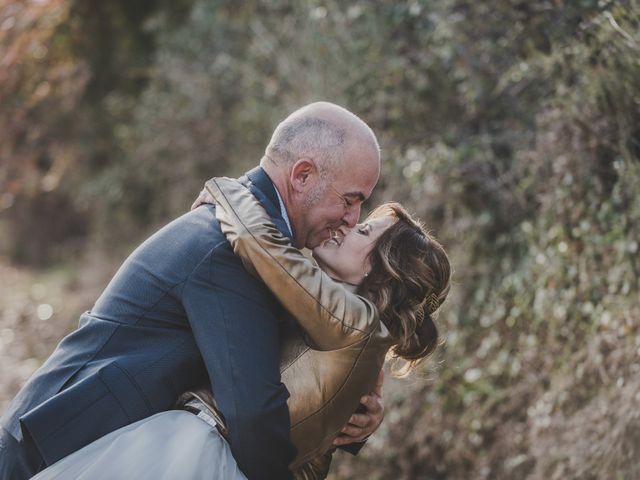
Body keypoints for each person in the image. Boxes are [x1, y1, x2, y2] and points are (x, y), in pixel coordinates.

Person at [0, 102, 384, 480]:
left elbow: (291, 367)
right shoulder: (230, 252)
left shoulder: (257, 246)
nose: (353, 219)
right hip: (58, 450)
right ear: (302, 176)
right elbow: (253, 412)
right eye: (349, 200)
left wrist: (349, 416)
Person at [30, 177, 451, 479]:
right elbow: (313, 451)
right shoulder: (354, 335)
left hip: (197, 449)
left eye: (363, 230)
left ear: (383, 272)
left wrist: (226, 190)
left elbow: (260, 244)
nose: (346, 224)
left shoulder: (354, 323)